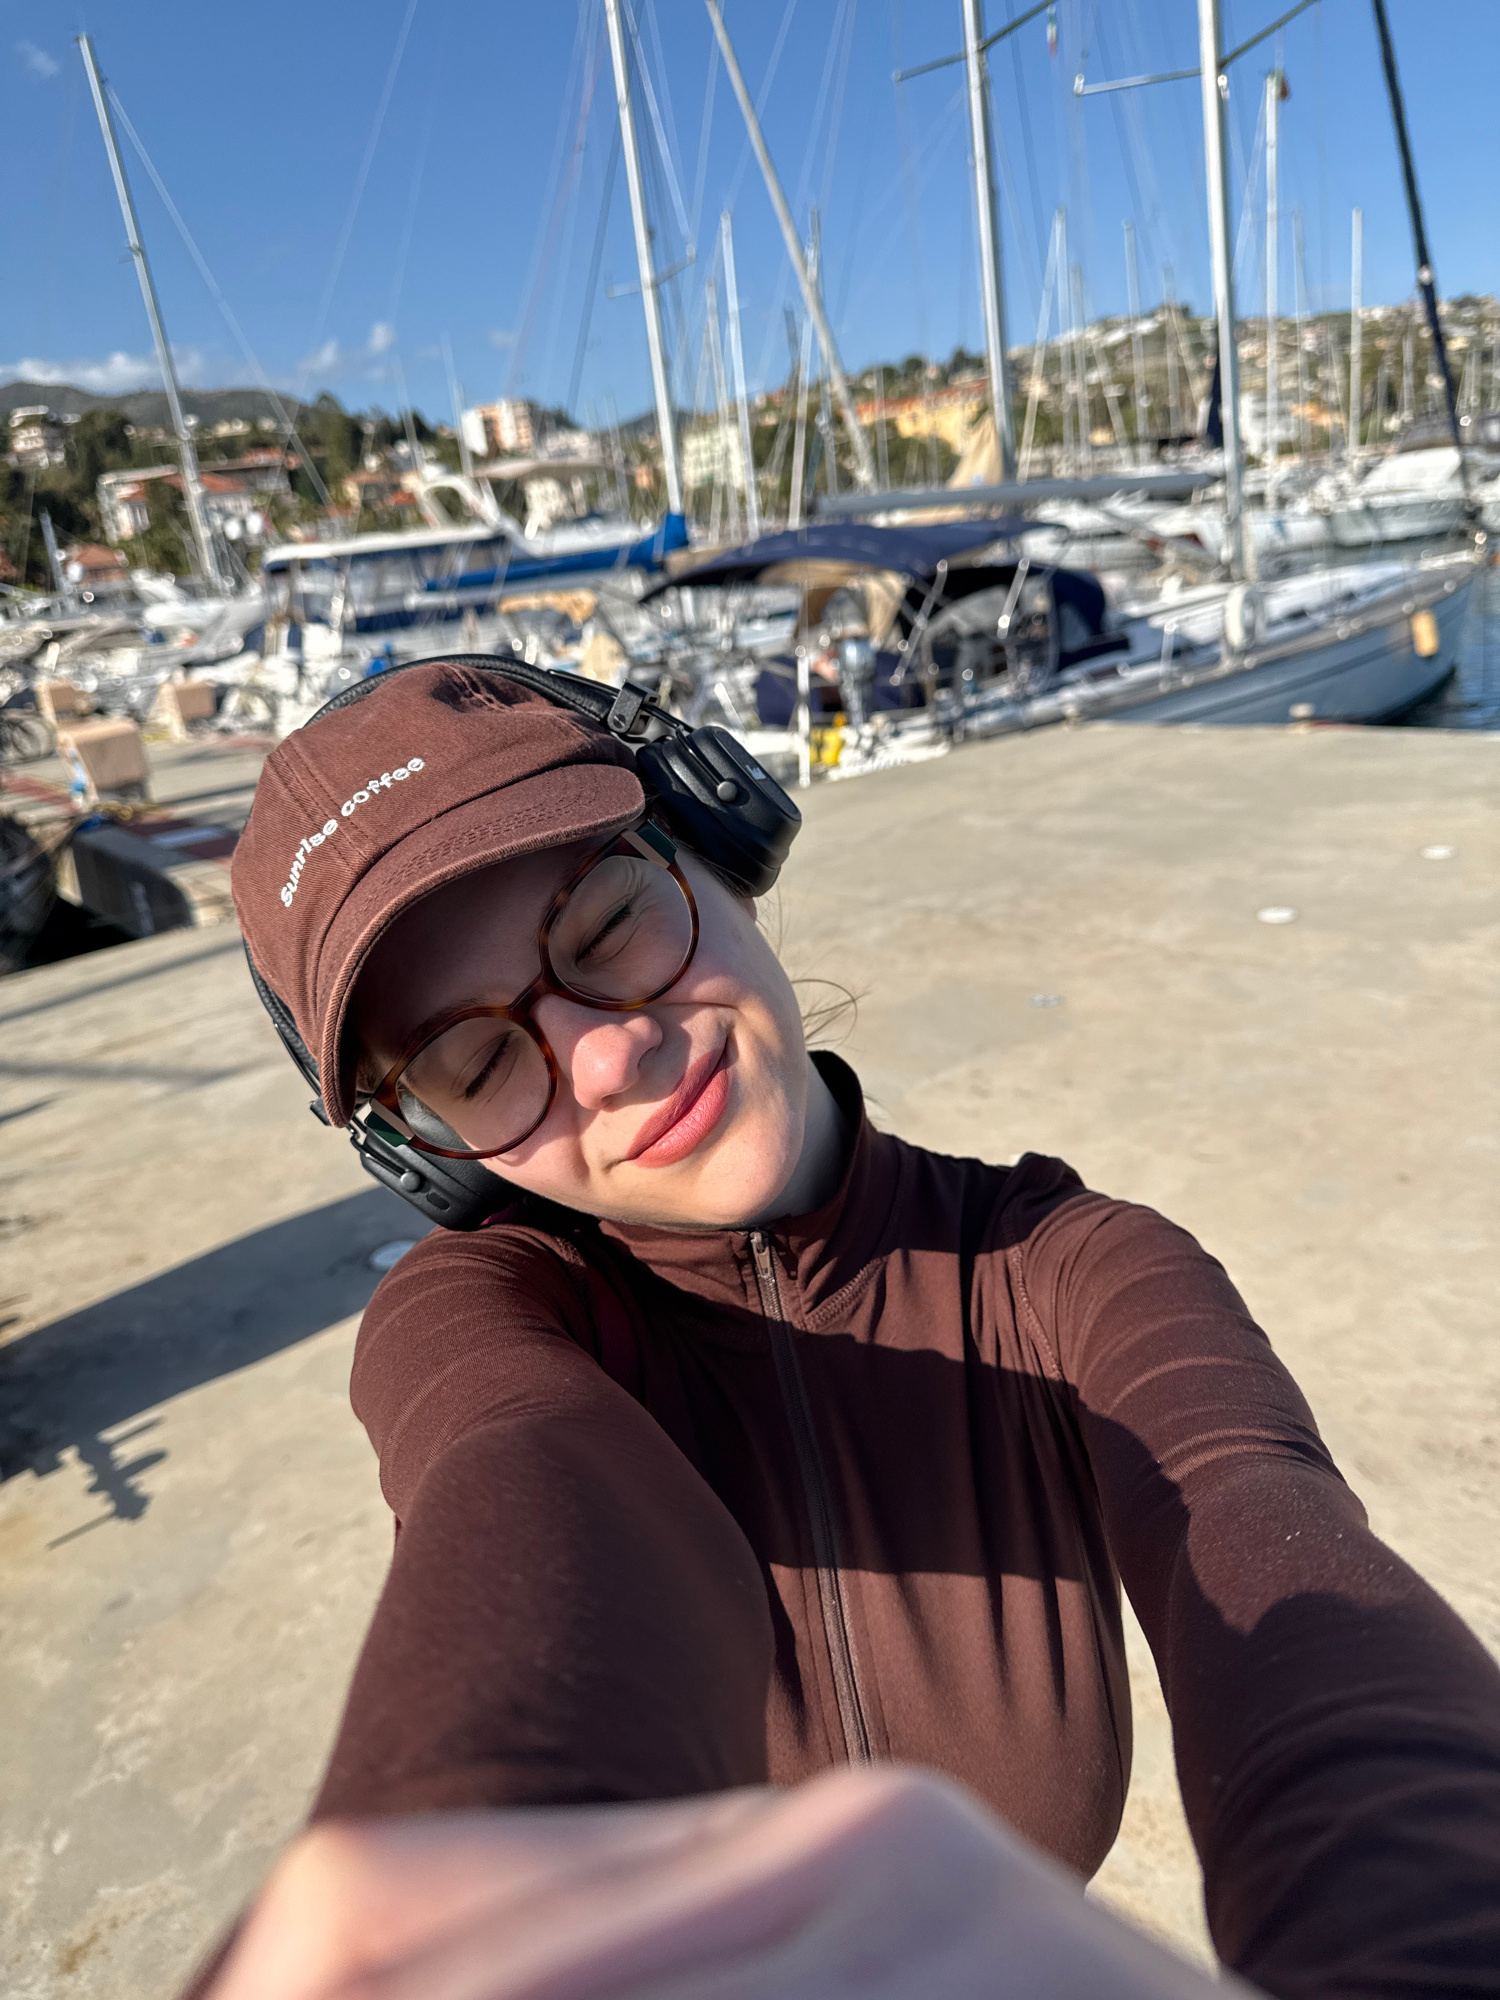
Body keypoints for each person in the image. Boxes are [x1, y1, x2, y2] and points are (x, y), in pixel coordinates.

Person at [211, 656, 1500, 1998]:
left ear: (719, 843)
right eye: (476, 1065)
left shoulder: (1072, 1271)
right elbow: (513, 1473)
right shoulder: (485, 1321)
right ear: (428, 1160)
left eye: (606, 924)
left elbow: (1269, 1543)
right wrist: (474, 1863)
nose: (606, 1055)